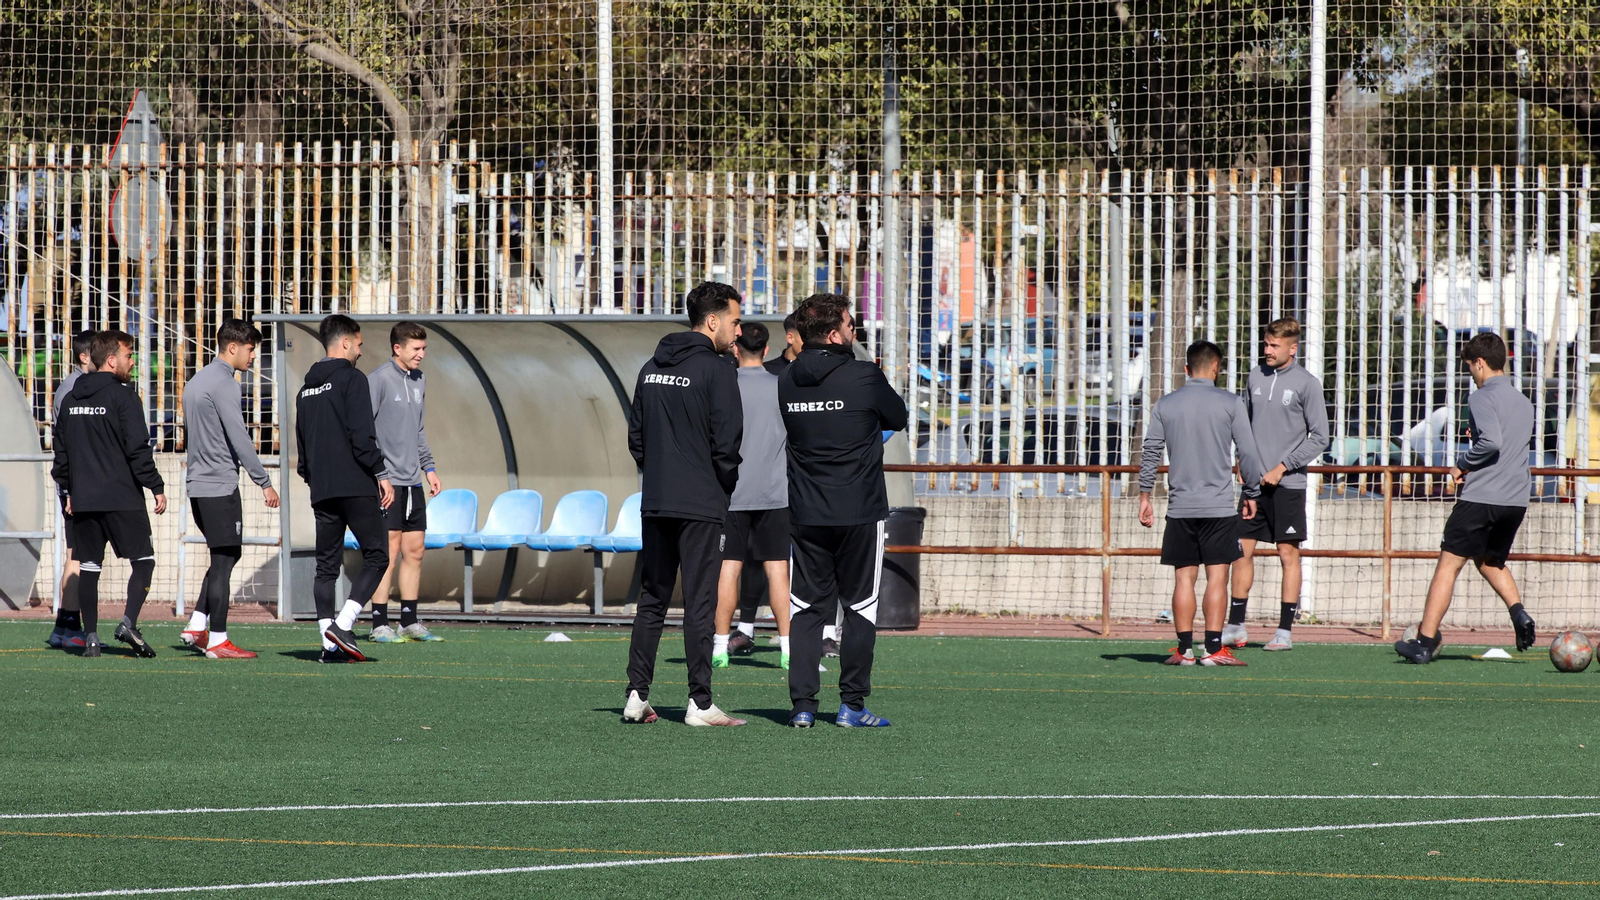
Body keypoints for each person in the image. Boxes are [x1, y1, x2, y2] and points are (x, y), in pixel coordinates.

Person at [781, 293, 908, 728]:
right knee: (861, 608)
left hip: (806, 511)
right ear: (835, 334)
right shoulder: (863, 376)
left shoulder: (788, 378)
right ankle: (852, 706)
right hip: (858, 511)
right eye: (853, 327)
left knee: (805, 608)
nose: (857, 333)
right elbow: (899, 415)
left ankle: (802, 707)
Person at [623, 282, 747, 727]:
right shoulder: (718, 371)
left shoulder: (648, 368)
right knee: (699, 601)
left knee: (652, 598)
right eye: (734, 321)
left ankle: (636, 696)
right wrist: (722, 487)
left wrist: (659, 474)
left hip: (656, 501)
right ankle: (700, 703)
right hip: (700, 504)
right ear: (712, 321)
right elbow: (728, 442)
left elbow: (636, 438)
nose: (738, 331)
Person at [1395, 333, 1537, 664]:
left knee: (1448, 564)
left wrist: (1461, 465)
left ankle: (1424, 642)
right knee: (1490, 560)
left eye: (1471, 367)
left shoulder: (1481, 397)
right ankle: (1519, 614)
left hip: (1483, 497)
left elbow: (1490, 442)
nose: (1472, 373)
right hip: (1516, 500)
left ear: (1480, 363)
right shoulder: (1524, 401)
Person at [1139, 340, 1264, 667]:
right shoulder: (1230, 403)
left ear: (1186, 370)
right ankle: (1212, 649)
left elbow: (1151, 450)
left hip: (1180, 508)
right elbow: (1247, 452)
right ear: (1215, 368)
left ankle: (1183, 651)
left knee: (1183, 579)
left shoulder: (1166, 404)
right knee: (1218, 578)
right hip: (1219, 508)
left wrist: (1144, 495)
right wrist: (1252, 492)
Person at [51, 330, 167, 658]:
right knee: (144, 560)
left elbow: (62, 455)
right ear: (112, 360)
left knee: (89, 566)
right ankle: (128, 622)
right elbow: (137, 450)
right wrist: (155, 485)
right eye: (129, 356)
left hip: (84, 500)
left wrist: (70, 490)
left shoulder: (71, 399)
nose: (133, 362)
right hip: (122, 498)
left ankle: (90, 636)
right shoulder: (124, 396)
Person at [1226, 318, 1329, 652]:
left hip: (1288, 485)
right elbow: (1245, 424)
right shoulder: (1255, 376)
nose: (1267, 351)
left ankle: (1284, 632)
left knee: (1288, 554)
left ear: (1292, 348)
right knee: (1240, 551)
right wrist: (1243, 459)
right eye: (1266, 344)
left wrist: (1283, 467)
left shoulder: (1306, 384)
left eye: (1274, 346)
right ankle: (1236, 626)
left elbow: (1321, 437)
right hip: (1253, 485)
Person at [180, 319, 280, 659]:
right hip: (219, 486)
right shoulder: (225, 383)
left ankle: (196, 624)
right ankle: (218, 640)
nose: (253, 357)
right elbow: (239, 437)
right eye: (251, 349)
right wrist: (264, 481)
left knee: (226, 555)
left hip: (197, 485)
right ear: (233, 347)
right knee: (224, 561)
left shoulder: (196, 381)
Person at [296, 314, 393, 663]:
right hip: (355, 483)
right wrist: (381, 473)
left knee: (326, 567)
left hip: (322, 489)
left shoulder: (305, 390)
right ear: (346, 342)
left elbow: (302, 453)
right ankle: (344, 623)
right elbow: (362, 435)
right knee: (378, 555)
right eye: (360, 344)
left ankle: (328, 646)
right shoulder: (353, 379)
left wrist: (317, 480)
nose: (362, 352)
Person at [712, 321, 793, 671]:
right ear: (766, 350)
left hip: (732, 493)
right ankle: (789, 648)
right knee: (778, 570)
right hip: (775, 494)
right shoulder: (781, 387)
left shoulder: (724, 387)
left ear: (734, 348)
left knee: (729, 568)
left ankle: (718, 646)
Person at [367, 321, 444, 643]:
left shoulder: (420, 380)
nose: (422, 355)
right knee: (389, 550)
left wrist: (429, 469)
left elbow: (419, 429)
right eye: (416, 349)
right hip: (387, 483)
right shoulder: (378, 379)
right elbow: (363, 430)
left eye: (424, 348)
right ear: (397, 348)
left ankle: (409, 620)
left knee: (416, 549)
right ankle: (378, 622)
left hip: (413, 482)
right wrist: (377, 473)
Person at [45, 330, 95, 650]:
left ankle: (64, 626)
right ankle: (69, 627)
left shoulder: (73, 388)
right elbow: (70, 446)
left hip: (74, 483)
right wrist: (73, 487)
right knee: (79, 555)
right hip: (76, 485)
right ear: (83, 357)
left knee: (76, 554)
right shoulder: (74, 391)